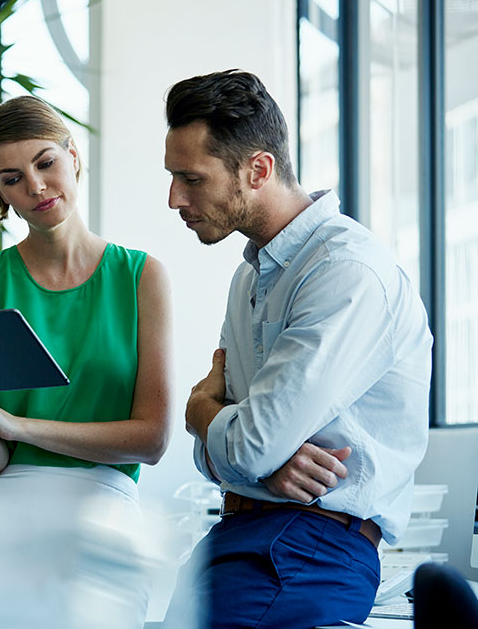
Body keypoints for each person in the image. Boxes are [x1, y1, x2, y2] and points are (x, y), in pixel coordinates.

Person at [161, 70, 433, 629]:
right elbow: (228, 455)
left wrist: (199, 412)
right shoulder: (250, 277)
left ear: (257, 170)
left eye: (191, 178)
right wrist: (246, 453)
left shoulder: (346, 272)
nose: (174, 199)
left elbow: (246, 443)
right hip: (238, 537)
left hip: (309, 548)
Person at [0, 95, 174, 626]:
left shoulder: (142, 278)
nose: (36, 187)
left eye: (46, 162)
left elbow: (151, 440)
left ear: (73, 157)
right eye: (12, 178)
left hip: (101, 507)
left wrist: (16, 424)